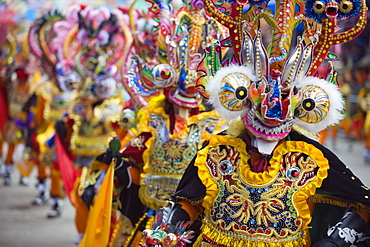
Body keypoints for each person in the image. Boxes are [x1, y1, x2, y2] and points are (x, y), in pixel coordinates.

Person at [139, 0, 370, 246]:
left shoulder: (311, 160)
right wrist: (169, 230)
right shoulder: (217, 152)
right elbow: (187, 200)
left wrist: (333, 242)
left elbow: (362, 206)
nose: (270, 118)